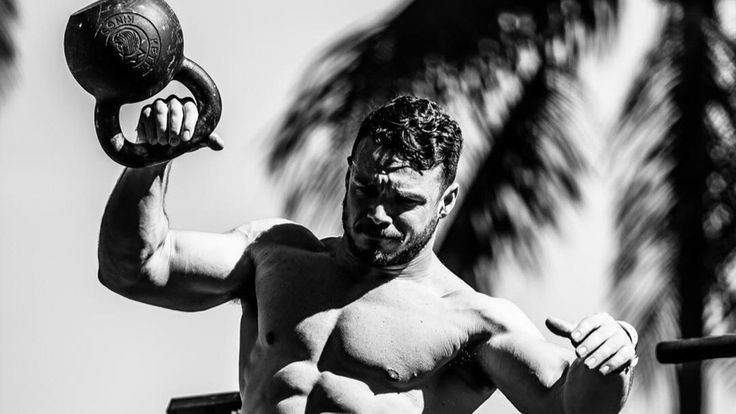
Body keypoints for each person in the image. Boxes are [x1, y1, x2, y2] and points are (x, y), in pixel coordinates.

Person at [99, 95, 638, 413]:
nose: (376, 214)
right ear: (349, 172)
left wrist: (613, 356)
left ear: (446, 201)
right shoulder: (276, 256)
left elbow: (571, 405)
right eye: (365, 188)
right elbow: (135, 268)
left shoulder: (472, 323)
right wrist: (149, 164)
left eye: (403, 202)